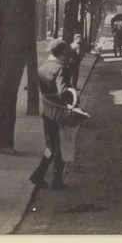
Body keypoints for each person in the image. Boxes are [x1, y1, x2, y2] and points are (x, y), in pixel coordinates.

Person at [31, 38, 73, 190]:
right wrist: (73, 95)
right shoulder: (62, 69)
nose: (69, 57)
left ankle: (39, 175)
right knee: (61, 147)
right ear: (61, 53)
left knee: (51, 147)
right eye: (67, 54)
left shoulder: (43, 66)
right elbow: (64, 93)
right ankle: (56, 180)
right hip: (59, 112)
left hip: (48, 112)